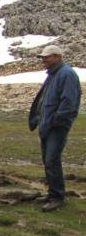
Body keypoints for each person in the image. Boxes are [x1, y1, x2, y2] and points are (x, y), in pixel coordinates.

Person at [28, 45, 81, 212]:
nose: (43, 60)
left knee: (52, 160)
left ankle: (57, 197)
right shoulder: (53, 75)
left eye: (47, 57)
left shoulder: (67, 74)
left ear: (57, 56)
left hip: (56, 126)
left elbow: (69, 102)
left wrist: (55, 121)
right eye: (42, 57)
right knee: (48, 160)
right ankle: (53, 193)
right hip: (47, 125)